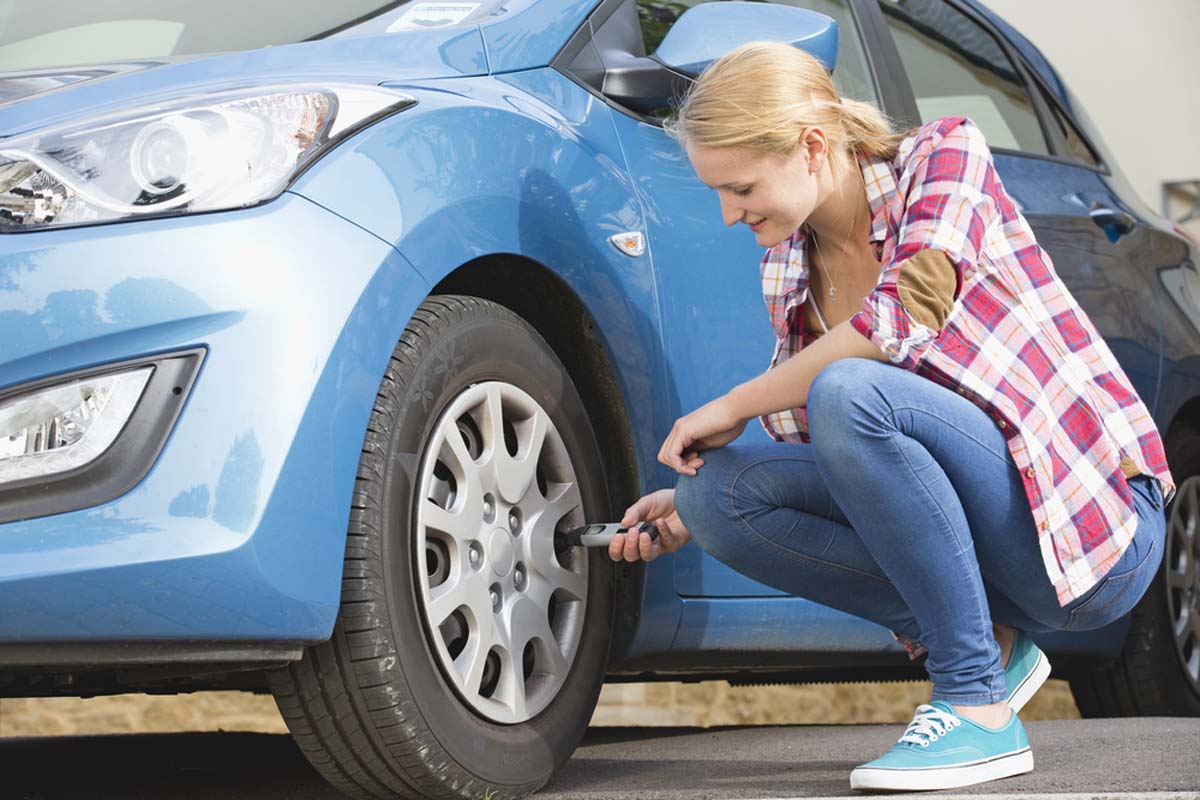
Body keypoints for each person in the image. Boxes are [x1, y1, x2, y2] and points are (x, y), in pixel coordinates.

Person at [607, 41, 1175, 793]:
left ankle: (976, 705)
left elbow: (904, 315)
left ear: (812, 146)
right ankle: (990, 646)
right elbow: (859, 469)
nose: (728, 213)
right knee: (715, 496)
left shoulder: (943, 157)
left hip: (1093, 528)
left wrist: (735, 405)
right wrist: (690, 509)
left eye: (740, 187)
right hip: (993, 544)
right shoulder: (789, 262)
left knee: (849, 390)